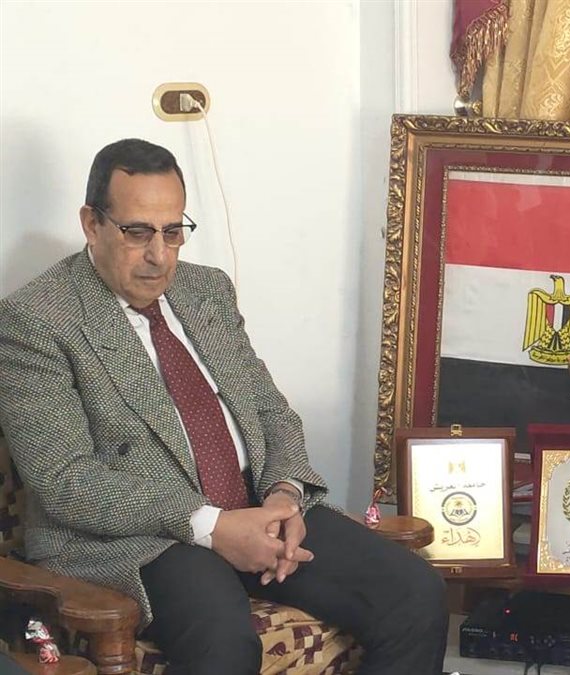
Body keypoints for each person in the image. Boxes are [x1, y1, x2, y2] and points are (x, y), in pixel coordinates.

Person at [0, 139, 448, 674]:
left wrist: (284, 497)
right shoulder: (36, 319)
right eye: (137, 232)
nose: (159, 255)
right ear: (91, 224)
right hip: (137, 539)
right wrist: (211, 526)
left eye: (173, 231)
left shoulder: (206, 290)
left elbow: (271, 412)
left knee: (415, 594)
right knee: (224, 639)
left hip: (257, 506)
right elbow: (67, 479)